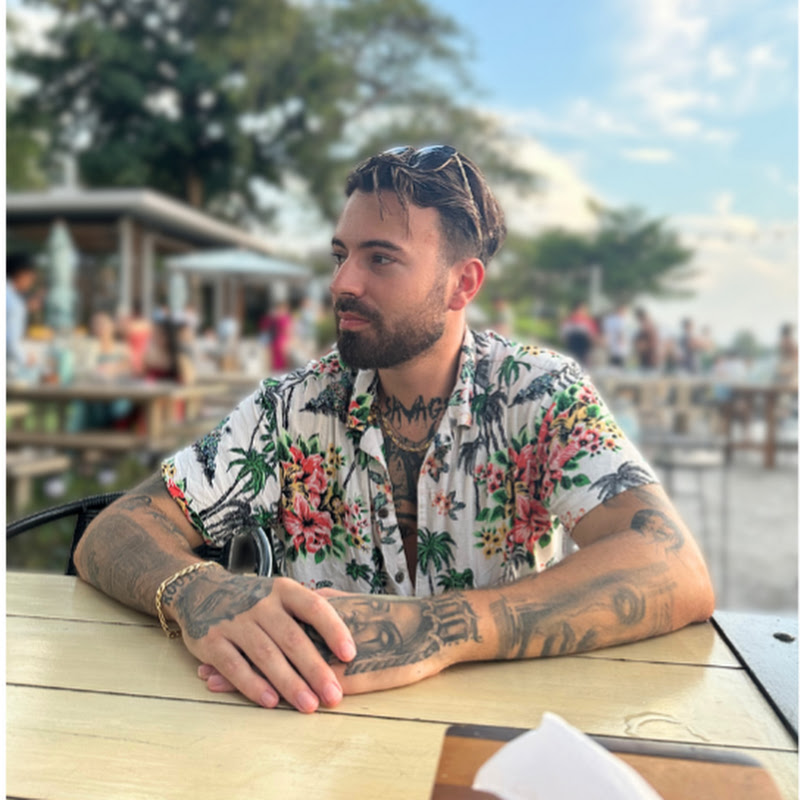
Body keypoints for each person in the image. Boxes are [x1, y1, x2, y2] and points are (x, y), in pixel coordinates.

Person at [74, 144, 714, 716]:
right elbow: (114, 532)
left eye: (381, 258)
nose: (342, 283)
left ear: (461, 283)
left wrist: (434, 630)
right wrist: (202, 591)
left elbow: (674, 565)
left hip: (500, 737)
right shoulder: (289, 409)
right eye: (341, 255)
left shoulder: (539, 394)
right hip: (310, 737)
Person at [6, 252, 39, 380]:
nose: (32, 281)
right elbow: (10, 343)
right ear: (20, 274)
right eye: (30, 276)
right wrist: (26, 359)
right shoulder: (14, 303)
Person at [560, 300, 599, 367]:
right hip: (572, 347)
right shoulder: (569, 320)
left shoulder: (588, 321)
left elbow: (592, 336)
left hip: (584, 348)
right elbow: (563, 336)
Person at [602, 303, 629, 368]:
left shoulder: (609, 320)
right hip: (617, 349)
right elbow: (620, 333)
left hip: (614, 349)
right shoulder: (618, 320)